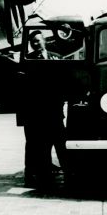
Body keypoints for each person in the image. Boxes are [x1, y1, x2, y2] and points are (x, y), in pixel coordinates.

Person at [20, 30, 66, 188]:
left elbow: (65, 81)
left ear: (44, 41)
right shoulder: (27, 61)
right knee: (39, 147)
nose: (35, 44)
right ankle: (39, 177)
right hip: (37, 114)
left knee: (61, 145)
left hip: (54, 112)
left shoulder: (57, 58)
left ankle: (70, 174)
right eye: (32, 42)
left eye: (38, 41)